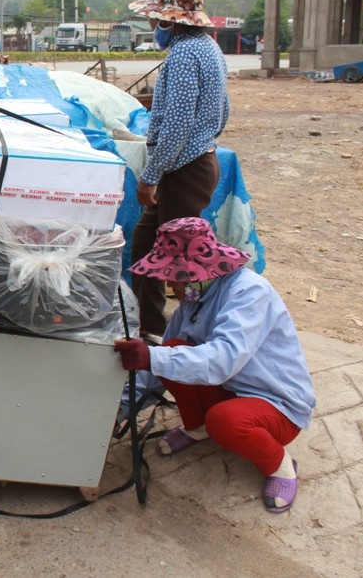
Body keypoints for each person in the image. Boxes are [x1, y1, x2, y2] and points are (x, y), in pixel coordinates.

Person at [113, 217, 316, 513]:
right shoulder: (196, 296)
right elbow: (161, 364)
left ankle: (280, 465)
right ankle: (198, 428)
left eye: (173, 276)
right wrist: (118, 410)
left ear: (197, 272)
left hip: (276, 402)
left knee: (225, 420)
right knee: (173, 351)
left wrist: (151, 357)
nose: (170, 284)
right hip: (232, 389)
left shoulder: (250, 292)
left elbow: (223, 360)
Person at [126, 0, 230, 342]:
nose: (152, 25)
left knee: (181, 261)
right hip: (192, 162)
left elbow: (177, 125)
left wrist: (151, 174)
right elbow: (223, 111)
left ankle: (192, 335)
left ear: (169, 19)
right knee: (146, 245)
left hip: (184, 169)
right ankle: (149, 327)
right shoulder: (210, 49)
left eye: (154, 18)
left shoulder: (186, 55)